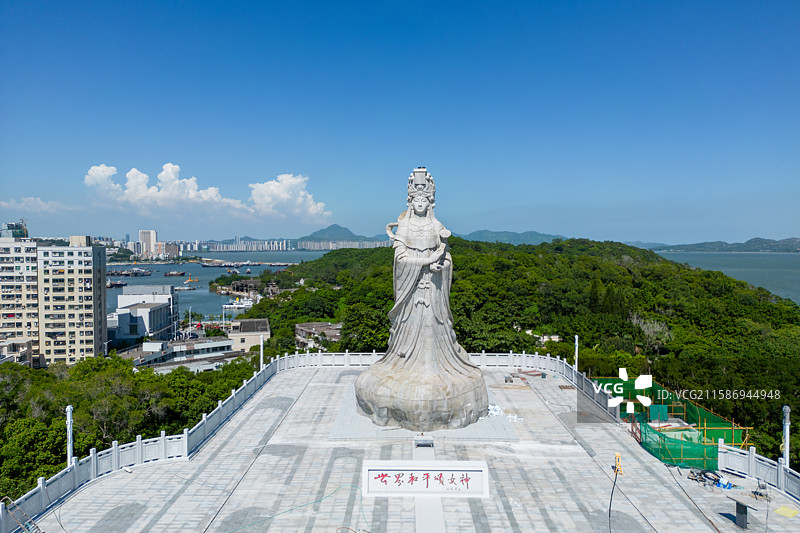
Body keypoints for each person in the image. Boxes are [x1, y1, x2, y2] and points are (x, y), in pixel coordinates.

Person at [355, 168, 487, 431]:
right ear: (409, 201)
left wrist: (441, 265)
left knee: (435, 332)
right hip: (411, 294)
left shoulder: (436, 226)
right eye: (415, 200)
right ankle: (402, 365)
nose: (419, 204)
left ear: (430, 202)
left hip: (433, 292)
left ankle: (439, 368)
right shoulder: (404, 226)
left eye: (424, 200)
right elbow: (401, 261)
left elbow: (446, 256)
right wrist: (426, 260)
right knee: (408, 332)